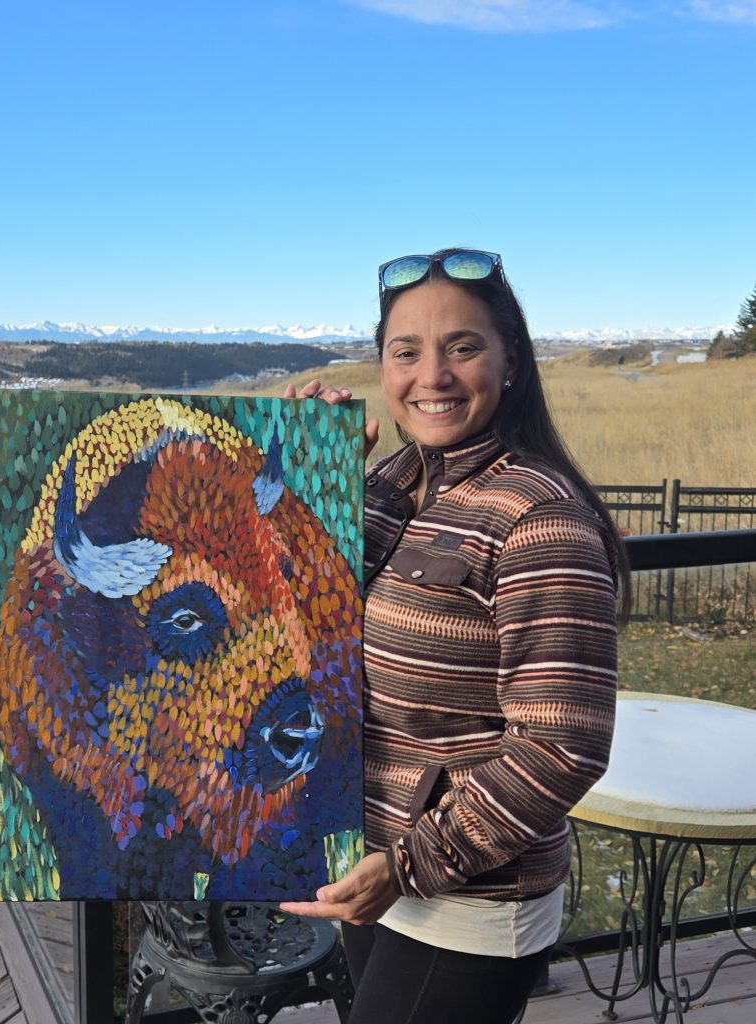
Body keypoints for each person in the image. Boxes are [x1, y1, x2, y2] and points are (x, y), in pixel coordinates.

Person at [280, 248, 629, 1024]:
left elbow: (561, 746)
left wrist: (407, 866)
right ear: (383, 367)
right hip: (368, 861)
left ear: (510, 363)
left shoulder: (540, 519)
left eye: (462, 347)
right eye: (406, 352)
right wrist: (315, 480)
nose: (431, 375)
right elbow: (301, 624)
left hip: (461, 898)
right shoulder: (393, 483)